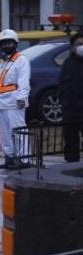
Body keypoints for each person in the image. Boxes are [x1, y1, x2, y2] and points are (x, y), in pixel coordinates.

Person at [0, 29, 31, 170]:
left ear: (15, 44)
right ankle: (9, 157)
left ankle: (24, 159)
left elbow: (24, 81)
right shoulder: (3, 62)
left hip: (15, 102)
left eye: (9, 43)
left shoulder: (21, 60)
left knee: (19, 131)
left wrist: (22, 98)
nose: (6, 46)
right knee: (5, 134)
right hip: (1, 102)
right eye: (3, 43)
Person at [59, 32, 83, 163]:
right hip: (70, 109)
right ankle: (71, 166)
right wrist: (64, 103)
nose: (81, 47)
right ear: (73, 47)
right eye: (79, 44)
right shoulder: (68, 63)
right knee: (70, 139)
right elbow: (62, 84)